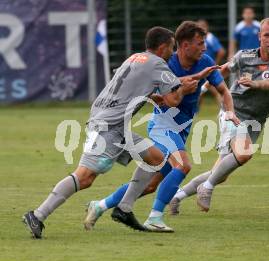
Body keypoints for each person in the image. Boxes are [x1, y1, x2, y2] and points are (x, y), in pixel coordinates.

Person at [22, 26, 199, 239]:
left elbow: (129, 88)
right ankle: (37, 215)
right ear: (162, 47)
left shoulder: (134, 58)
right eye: (171, 47)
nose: (172, 52)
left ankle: (124, 208)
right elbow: (173, 101)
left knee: (157, 159)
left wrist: (152, 96)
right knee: (86, 176)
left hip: (114, 123)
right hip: (108, 126)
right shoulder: (158, 64)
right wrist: (184, 89)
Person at [84, 21, 239, 232]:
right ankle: (155, 217)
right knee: (183, 166)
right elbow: (168, 87)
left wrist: (229, 111)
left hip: (183, 126)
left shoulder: (206, 61)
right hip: (162, 123)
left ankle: (100, 205)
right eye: (200, 43)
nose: (204, 48)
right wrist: (193, 80)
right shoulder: (165, 63)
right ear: (184, 45)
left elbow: (224, 91)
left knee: (150, 184)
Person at [169, 17, 269, 214]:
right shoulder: (245, 56)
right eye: (267, 35)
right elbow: (224, 70)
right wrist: (206, 84)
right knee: (243, 154)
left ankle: (176, 196)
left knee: (220, 173)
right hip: (233, 112)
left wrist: (256, 83)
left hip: (256, 121)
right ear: (259, 37)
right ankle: (206, 188)